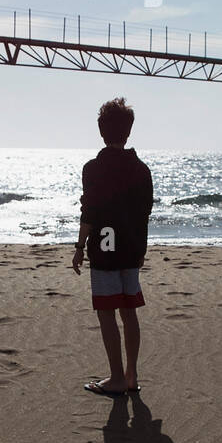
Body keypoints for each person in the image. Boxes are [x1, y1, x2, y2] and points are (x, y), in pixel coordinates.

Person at [72, 97, 154, 396]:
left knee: (107, 312)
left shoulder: (94, 168)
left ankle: (117, 377)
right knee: (129, 310)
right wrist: (141, 249)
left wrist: (80, 246)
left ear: (101, 131)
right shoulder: (142, 169)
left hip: (105, 246)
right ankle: (131, 375)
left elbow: (89, 211)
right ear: (128, 131)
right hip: (132, 246)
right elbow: (145, 212)